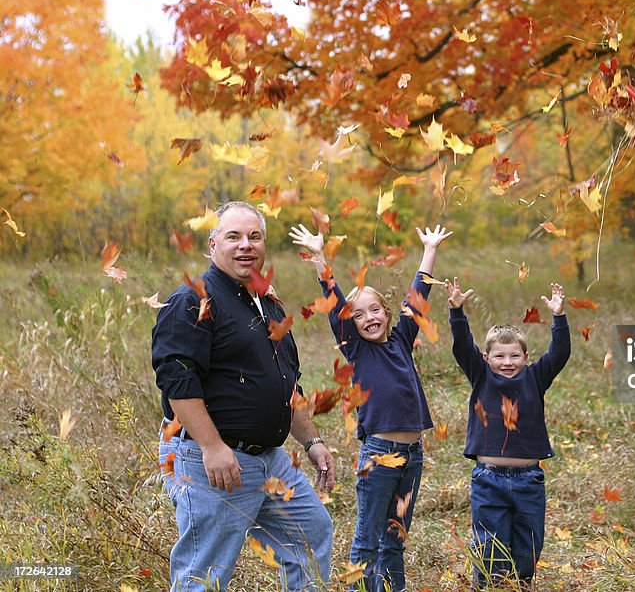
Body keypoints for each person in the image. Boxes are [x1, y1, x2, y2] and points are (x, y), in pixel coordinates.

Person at [152, 201, 335, 591]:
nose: (245, 245)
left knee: (311, 535)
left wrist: (312, 441)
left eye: (254, 236)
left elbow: (286, 381)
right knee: (205, 574)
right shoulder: (193, 300)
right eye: (233, 236)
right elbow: (177, 381)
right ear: (213, 243)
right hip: (216, 461)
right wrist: (213, 447)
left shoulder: (265, 299)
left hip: (270, 461)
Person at [289, 222, 451, 592]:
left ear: (387, 312)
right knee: (367, 542)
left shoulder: (401, 340)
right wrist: (319, 257)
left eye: (374, 310)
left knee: (394, 540)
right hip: (378, 456)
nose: (368, 319)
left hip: (412, 454)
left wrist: (430, 250)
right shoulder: (356, 348)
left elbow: (418, 295)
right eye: (359, 315)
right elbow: (335, 303)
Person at [444, 277, 571, 588]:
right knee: (490, 553)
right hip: (488, 480)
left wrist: (559, 317)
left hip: (529, 480)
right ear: (487, 359)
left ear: (526, 358)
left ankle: (521, 585)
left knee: (527, 549)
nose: (507, 362)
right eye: (499, 356)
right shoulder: (481, 376)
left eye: (515, 356)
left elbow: (560, 354)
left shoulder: (535, 377)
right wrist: (457, 312)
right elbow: (462, 347)